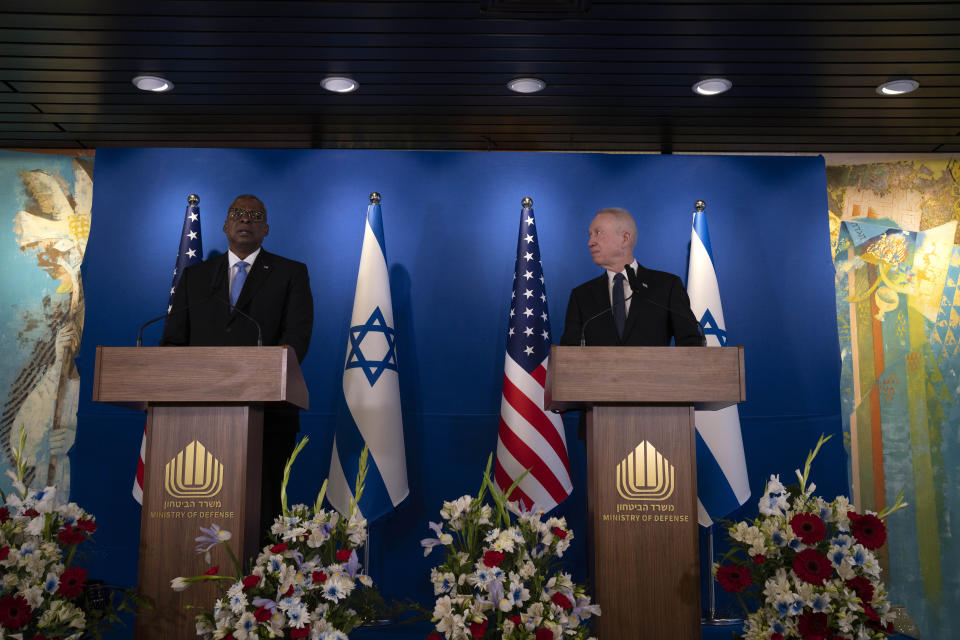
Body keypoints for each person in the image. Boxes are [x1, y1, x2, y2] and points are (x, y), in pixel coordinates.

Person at [160, 194, 313, 536]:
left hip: (267, 417)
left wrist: (257, 375)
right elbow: (172, 343)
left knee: (261, 512)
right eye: (238, 214)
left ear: (266, 229)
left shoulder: (290, 273)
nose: (246, 220)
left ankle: (258, 584)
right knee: (196, 512)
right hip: (195, 419)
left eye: (255, 215)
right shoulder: (195, 278)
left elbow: (296, 340)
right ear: (225, 225)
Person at [560, 206, 702, 349]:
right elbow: (569, 352)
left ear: (625, 238)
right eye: (590, 235)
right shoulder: (581, 296)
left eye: (598, 233)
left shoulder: (667, 286)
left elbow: (691, 345)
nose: (590, 242)